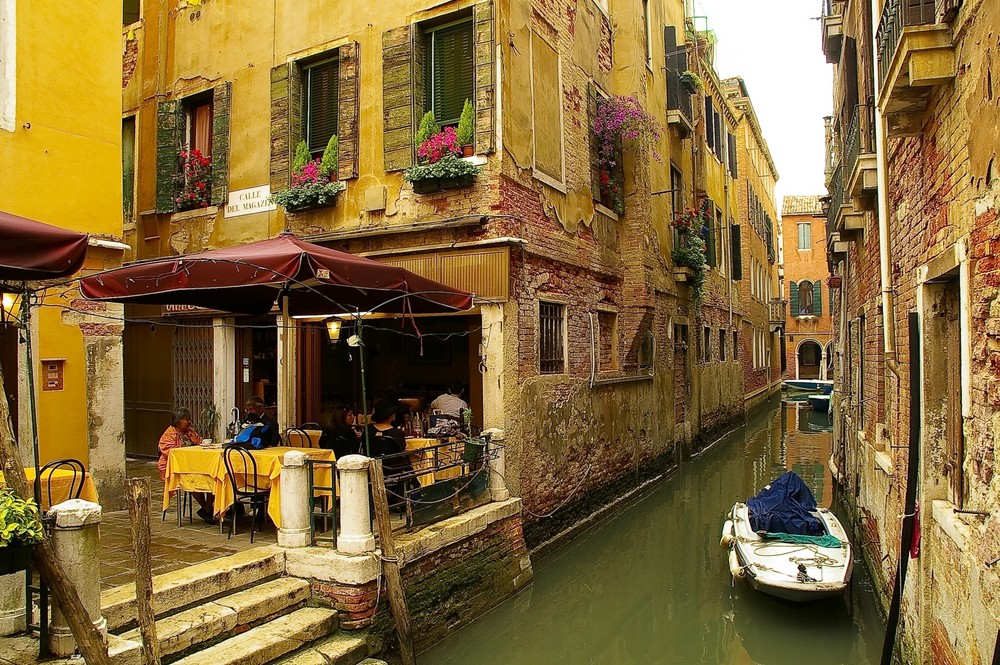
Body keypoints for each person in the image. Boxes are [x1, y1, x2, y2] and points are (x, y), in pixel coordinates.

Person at [158, 406, 215, 524]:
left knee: (213, 476)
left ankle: (207, 509)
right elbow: (171, 453)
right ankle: (207, 509)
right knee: (192, 479)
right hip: (177, 468)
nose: (189, 422)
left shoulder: (190, 432)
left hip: (195, 465)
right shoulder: (169, 435)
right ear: (178, 421)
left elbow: (199, 441)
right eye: (186, 419)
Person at [364, 398, 418, 507]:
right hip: (394, 469)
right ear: (391, 415)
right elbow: (402, 451)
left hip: (373, 466)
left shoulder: (368, 430)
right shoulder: (396, 433)